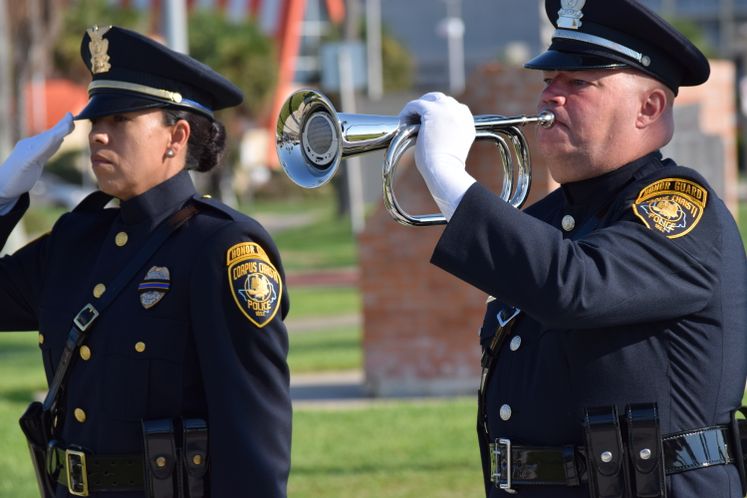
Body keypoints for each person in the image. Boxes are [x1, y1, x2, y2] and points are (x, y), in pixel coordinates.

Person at [399, 1, 747, 497]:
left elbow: (577, 286)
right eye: (548, 80)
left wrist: (450, 178)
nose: (549, 97)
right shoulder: (549, 222)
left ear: (648, 108)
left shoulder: (681, 210)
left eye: (578, 83)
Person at [0, 25, 290, 497]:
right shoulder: (75, 241)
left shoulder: (221, 248)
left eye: (120, 120)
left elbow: (253, 436)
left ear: (175, 136)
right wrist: (2, 198)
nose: (98, 136)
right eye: (97, 122)